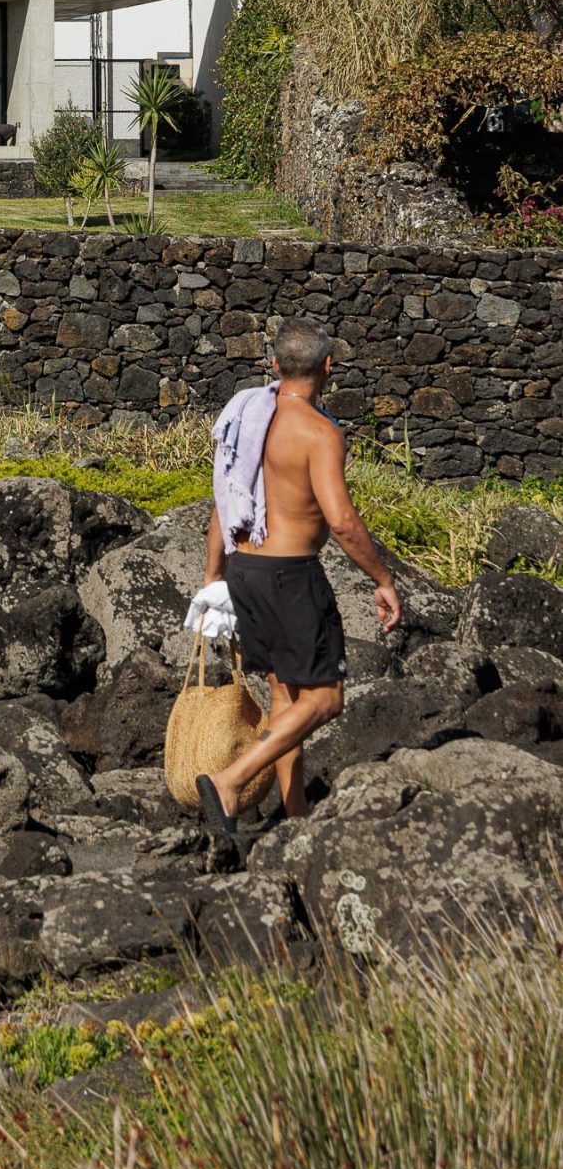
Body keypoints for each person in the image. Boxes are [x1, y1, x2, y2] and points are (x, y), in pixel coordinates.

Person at [195, 320, 401, 842]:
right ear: (328, 367)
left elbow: (226, 500)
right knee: (327, 698)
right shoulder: (320, 433)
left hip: (246, 569)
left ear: (275, 366)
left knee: (286, 699)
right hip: (290, 576)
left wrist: (214, 575)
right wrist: (382, 578)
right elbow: (342, 521)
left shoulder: (247, 418)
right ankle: (230, 781)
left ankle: (296, 820)